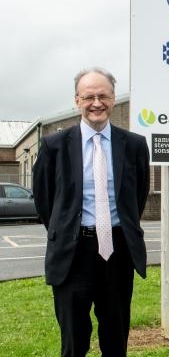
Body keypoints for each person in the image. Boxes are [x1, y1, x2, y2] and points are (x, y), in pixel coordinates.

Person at [33, 67, 150, 357]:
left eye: (103, 96)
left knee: (115, 336)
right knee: (74, 340)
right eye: (89, 97)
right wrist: (66, 231)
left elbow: (138, 195)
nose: (96, 103)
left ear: (112, 98)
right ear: (77, 100)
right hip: (73, 254)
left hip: (118, 250)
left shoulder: (134, 145)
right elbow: (45, 200)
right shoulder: (54, 146)